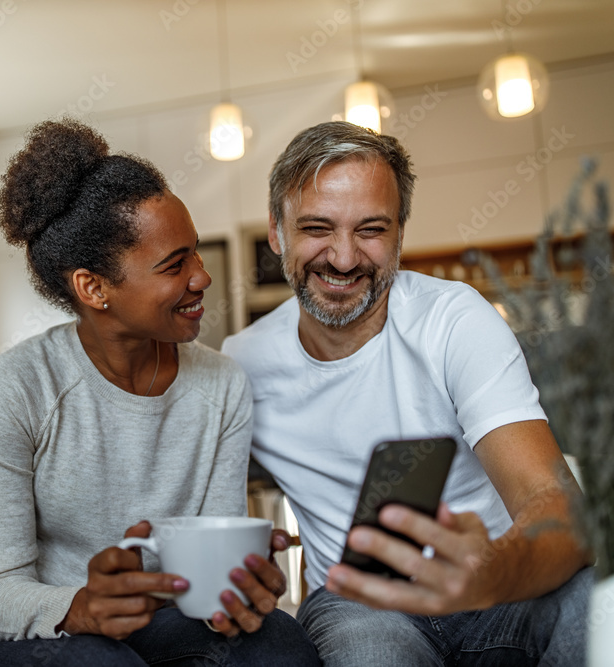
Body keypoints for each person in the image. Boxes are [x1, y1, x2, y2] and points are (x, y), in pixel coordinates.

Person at [0, 119, 320, 666]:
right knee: (102, 663)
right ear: (93, 287)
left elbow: (205, 572)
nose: (202, 277)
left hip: (148, 620)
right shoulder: (14, 390)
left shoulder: (221, 385)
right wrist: (85, 607)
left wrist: (235, 585)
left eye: (196, 253)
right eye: (174, 264)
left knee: (279, 642)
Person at [222, 121, 593, 665]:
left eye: (371, 229)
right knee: (372, 649)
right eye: (317, 228)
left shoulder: (454, 319)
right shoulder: (242, 363)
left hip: (496, 582)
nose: (344, 259)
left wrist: (480, 576)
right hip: (359, 602)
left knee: (594, 603)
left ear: (400, 233)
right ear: (277, 232)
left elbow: (559, 509)